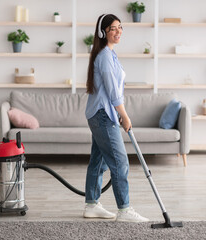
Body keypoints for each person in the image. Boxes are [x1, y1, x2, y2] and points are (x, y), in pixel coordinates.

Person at [83, 14, 149, 222]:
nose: (118, 31)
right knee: (120, 162)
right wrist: (125, 115)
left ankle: (92, 205)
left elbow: (114, 89)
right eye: (113, 28)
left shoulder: (110, 55)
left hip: (101, 113)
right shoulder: (104, 56)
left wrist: (118, 113)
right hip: (103, 115)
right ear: (103, 32)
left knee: (98, 161)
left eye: (120, 27)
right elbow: (113, 92)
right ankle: (124, 209)